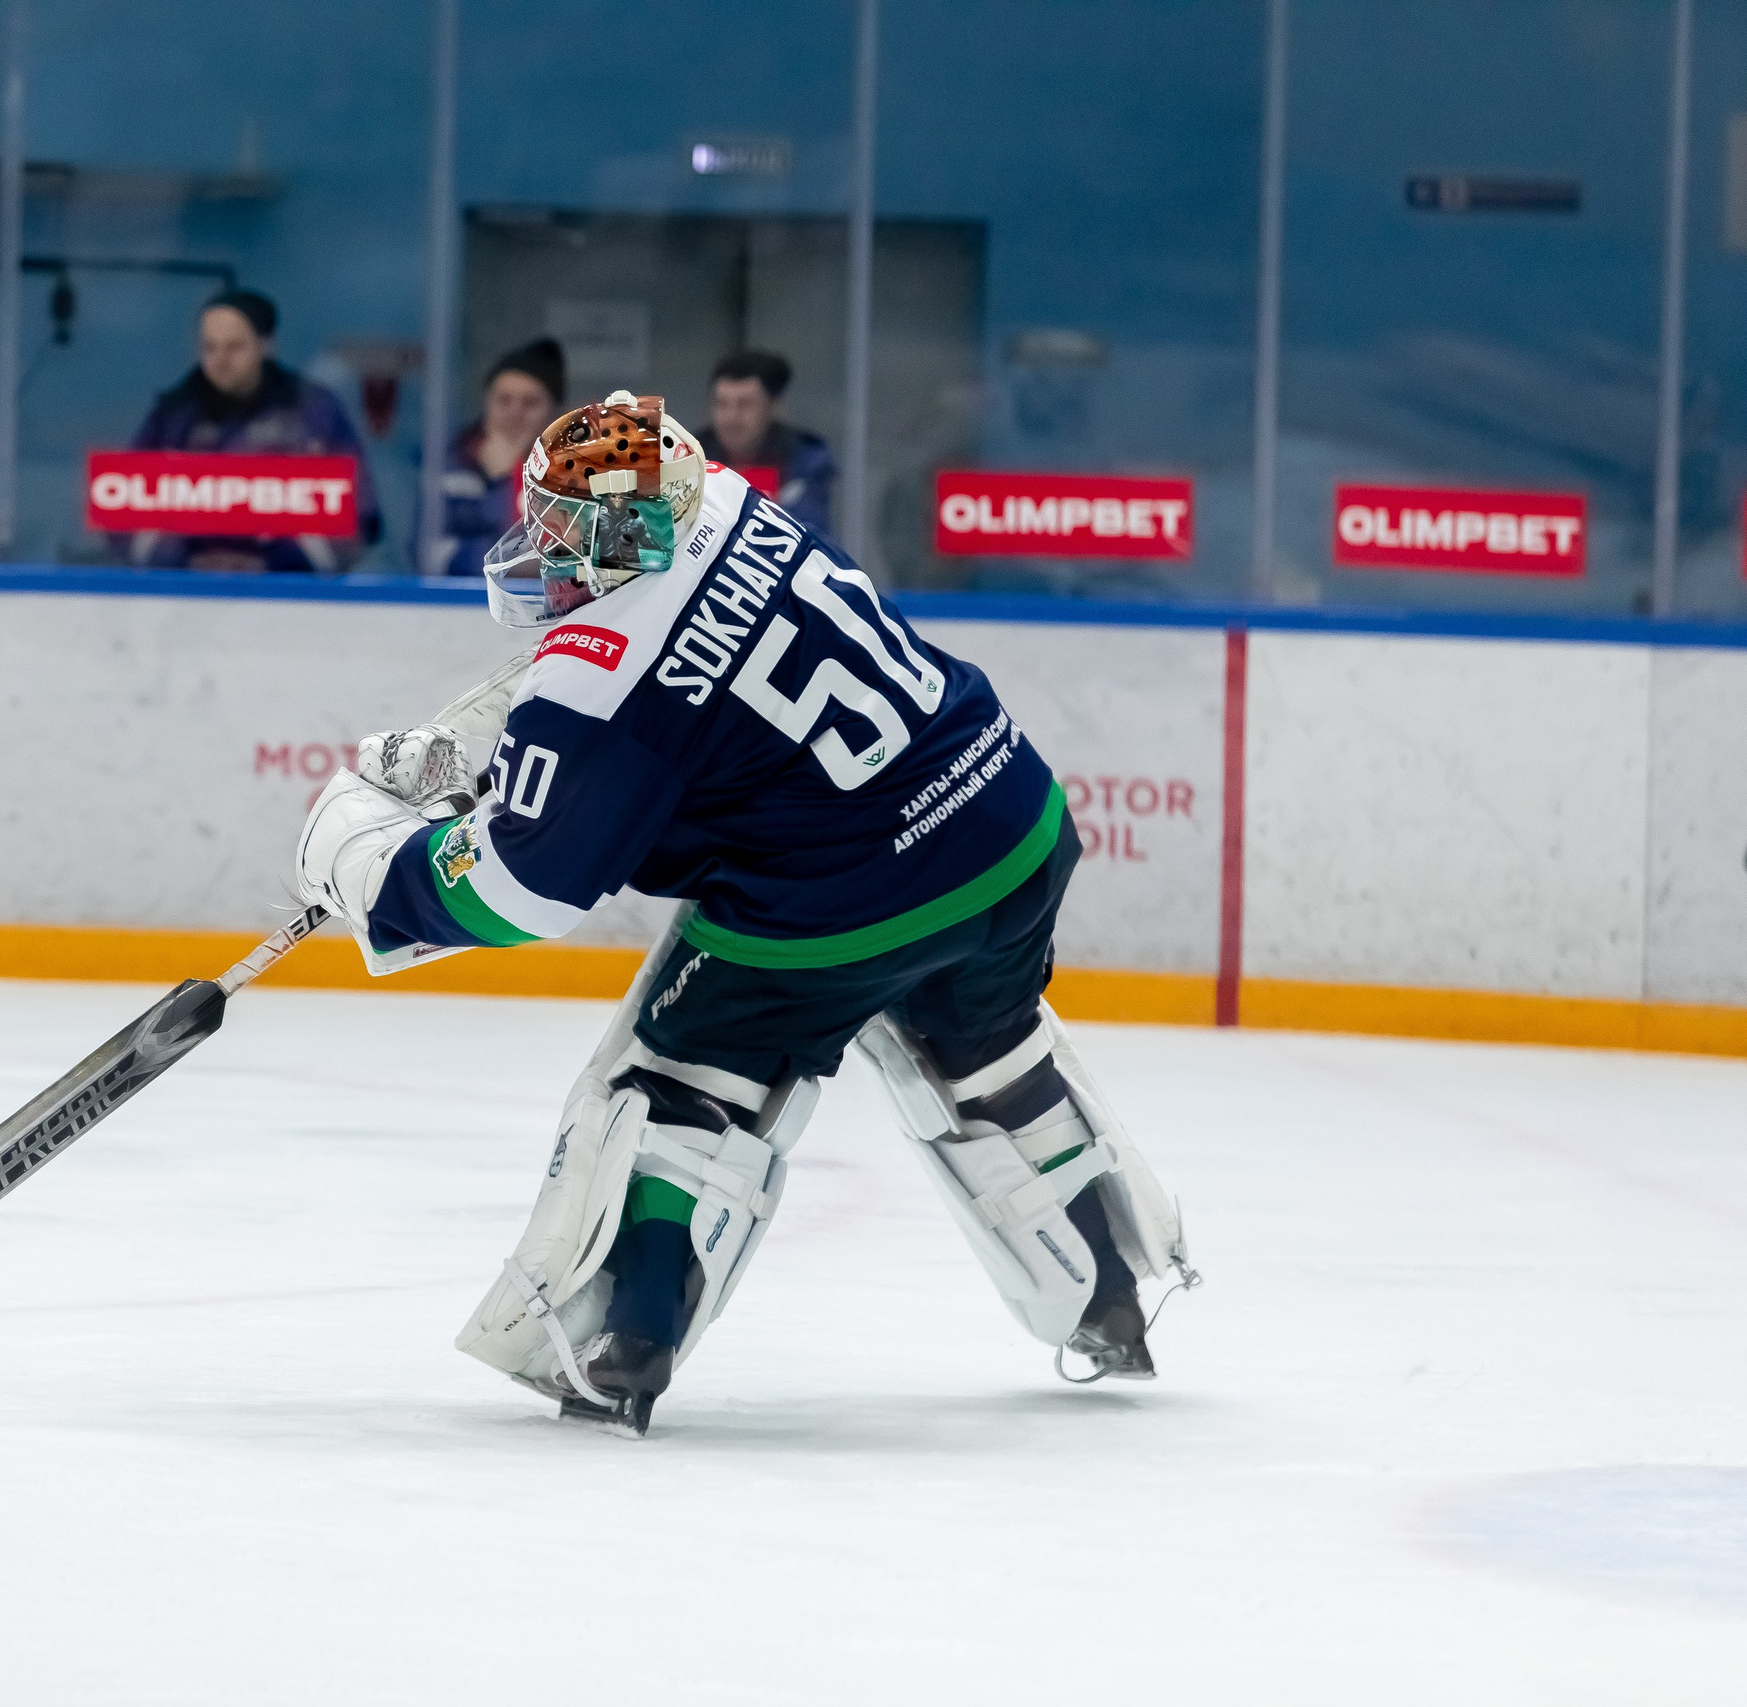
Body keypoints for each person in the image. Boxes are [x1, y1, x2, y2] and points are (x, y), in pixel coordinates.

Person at [293, 391, 1195, 1435]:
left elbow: (522, 889)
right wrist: (499, 747)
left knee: (680, 1076)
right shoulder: (718, 497)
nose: (536, 546)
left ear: (616, 532)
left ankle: (623, 1342)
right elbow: (666, 681)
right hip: (1006, 819)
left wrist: (367, 867)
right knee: (985, 1050)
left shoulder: (597, 678)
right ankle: (1109, 1297)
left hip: (848, 896)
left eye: (557, 528)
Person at [121, 288, 381, 573]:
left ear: (266, 346)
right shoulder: (173, 414)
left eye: (234, 347)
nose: (220, 360)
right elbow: (123, 507)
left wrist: (273, 563)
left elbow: (359, 515)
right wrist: (186, 561)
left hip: (292, 598)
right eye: (210, 347)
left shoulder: (313, 412)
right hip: (186, 597)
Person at [416, 339, 565, 577]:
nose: (515, 413)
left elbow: (564, 560)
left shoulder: (571, 475)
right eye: (503, 400)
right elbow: (426, 555)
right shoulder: (452, 466)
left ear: (554, 412)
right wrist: (501, 485)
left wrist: (512, 476)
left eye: (530, 403)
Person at [697, 349, 838, 538]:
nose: (731, 417)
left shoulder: (805, 463)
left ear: (775, 407)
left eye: (745, 404)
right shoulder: (689, 459)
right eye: (722, 404)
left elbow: (809, 537)